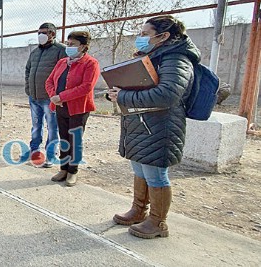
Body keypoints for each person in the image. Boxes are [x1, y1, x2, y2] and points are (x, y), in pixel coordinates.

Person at [109, 15, 200, 239]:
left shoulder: (176, 58)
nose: (140, 38)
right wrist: (118, 93)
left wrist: (124, 96)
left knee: (156, 175)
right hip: (143, 123)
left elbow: (167, 94)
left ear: (163, 36)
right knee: (140, 169)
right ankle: (139, 210)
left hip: (162, 126)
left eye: (145, 34)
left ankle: (159, 223)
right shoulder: (153, 56)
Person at [45, 31, 100, 186]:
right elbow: (49, 81)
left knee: (74, 140)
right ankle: (63, 168)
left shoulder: (91, 63)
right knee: (63, 138)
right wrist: (54, 96)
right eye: (68, 44)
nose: (68, 47)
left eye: (72, 44)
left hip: (78, 108)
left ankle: (72, 171)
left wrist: (61, 97)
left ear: (83, 46)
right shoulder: (62, 62)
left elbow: (86, 87)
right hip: (60, 107)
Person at [24, 23, 68, 167]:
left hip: (50, 98)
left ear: (52, 34)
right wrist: (28, 88)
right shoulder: (35, 52)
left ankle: (50, 155)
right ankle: (34, 152)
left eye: (44, 32)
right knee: (36, 126)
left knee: (52, 127)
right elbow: (28, 70)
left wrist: (57, 94)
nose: (40, 35)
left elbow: (65, 74)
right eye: (39, 32)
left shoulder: (61, 50)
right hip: (34, 96)